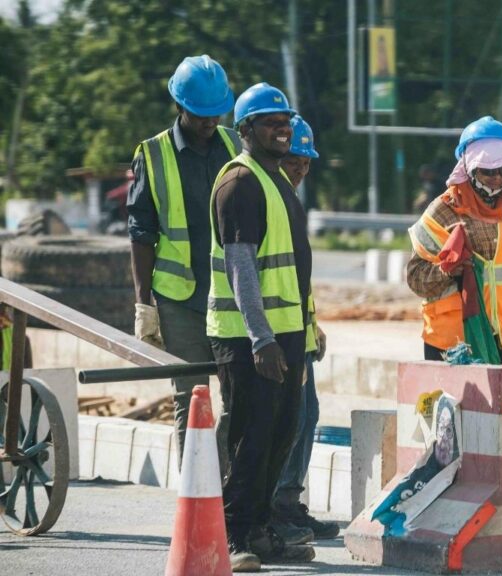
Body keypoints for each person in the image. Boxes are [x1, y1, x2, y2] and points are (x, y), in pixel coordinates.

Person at [207, 82, 314, 570]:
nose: (282, 129)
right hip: (249, 336)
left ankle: (259, 528)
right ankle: (233, 535)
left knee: (281, 433)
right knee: (250, 437)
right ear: (245, 130)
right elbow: (241, 267)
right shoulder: (240, 182)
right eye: (271, 122)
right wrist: (261, 337)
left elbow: (291, 271)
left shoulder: (276, 181)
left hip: (285, 335)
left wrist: (300, 340)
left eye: (285, 121)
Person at [128, 55, 240, 466]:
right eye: (201, 114)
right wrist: (144, 304)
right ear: (180, 106)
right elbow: (141, 234)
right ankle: (195, 493)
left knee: (239, 397)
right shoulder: (153, 155)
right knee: (192, 398)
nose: (210, 121)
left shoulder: (237, 146)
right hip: (180, 300)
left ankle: (225, 487)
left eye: (216, 112)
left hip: (231, 295)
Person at [406, 116, 502, 366]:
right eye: (487, 170)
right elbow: (416, 279)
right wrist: (447, 270)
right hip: (454, 342)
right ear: (469, 168)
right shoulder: (443, 211)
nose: (497, 178)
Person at [271, 115, 341, 540]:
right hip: (273, 334)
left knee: (306, 413)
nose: (300, 170)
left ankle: (287, 501)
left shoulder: (290, 201)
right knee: (286, 419)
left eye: (306, 163)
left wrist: (313, 326)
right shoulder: (268, 198)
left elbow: (297, 279)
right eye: (294, 161)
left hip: (296, 331)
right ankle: (273, 505)